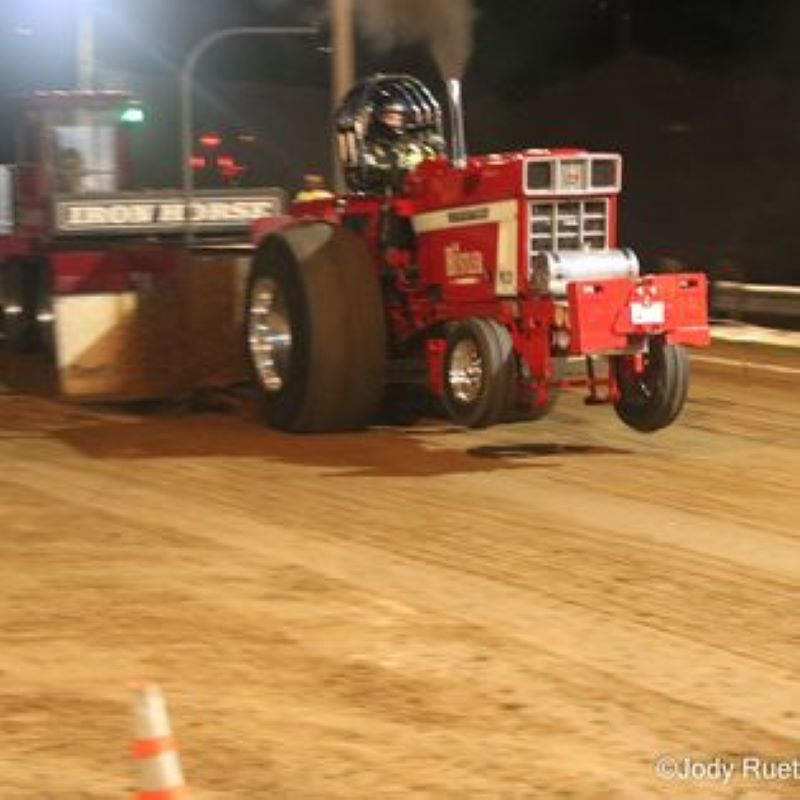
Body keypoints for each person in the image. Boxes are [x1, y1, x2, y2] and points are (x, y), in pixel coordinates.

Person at [364, 99, 444, 191]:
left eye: (399, 118)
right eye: (390, 118)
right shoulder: (369, 147)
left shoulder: (411, 143)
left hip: (419, 193)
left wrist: (434, 149)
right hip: (386, 197)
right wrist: (401, 173)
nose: (395, 122)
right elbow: (371, 175)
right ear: (378, 119)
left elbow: (430, 163)